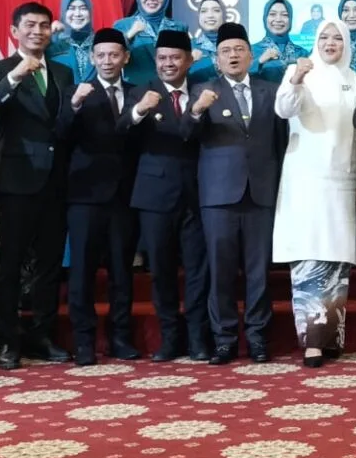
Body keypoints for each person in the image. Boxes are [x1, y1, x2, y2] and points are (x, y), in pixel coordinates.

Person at [0, 2, 74, 369]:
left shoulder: (63, 72)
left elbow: (63, 123)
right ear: (14, 31)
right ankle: (8, 340)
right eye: (30, 25)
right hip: (17, 181)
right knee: (10, 264)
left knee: (49, 265)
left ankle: (42, 336)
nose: (38, 31)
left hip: (56, 181)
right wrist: (16, 76)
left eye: (44, 25)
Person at [274, 19, 356, 368]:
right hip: (304, 179)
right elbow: (284, 109)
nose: (331, 43)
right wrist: (297, 79)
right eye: (324, 37)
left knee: (336, 261)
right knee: (308, 258)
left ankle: (331, 338)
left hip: (341, 179)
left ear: (346, 44)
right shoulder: (299, 71)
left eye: (337, 38)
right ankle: (311, 343)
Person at [187, 22, 287, 365]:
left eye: (239, 50)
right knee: (221, 271)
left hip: (261, 193)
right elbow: (187, 134)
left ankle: (258, 338)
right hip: (218, 197)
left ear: (251, 55)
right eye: (226, 51)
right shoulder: (203, 90)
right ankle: (224, 340)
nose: (233, 56)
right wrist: (197, 110)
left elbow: (280, 143)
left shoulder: (269, 91)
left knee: (259, 272)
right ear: (217, 59)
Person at [55, 27, 140, 365]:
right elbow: (60, 135)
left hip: (124, 197)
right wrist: (74, 105)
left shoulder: (137, 93)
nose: (107, 61)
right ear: (92, 57)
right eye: (101, 55)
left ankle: (120, 338)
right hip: (85, 196)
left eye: (114, 55)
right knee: (82, 272)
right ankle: (85, 341)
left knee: (122, 271)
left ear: (125, 58)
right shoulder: (76, 92)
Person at [124, 29, 210, 362]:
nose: (168, 63)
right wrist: (139, 111)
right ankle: (170, 339)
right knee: (161, 271)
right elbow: (122, 130)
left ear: (189, 61)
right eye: (162, 58)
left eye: (175, 57)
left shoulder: (203, 91)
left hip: (196, 195)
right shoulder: (141, 92)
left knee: (198, 271)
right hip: (155, 197)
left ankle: (198, 339)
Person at [120, 0, 189, 85]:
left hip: (171, 90)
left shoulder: (179, 27)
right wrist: (130, 34)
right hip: (136, 90)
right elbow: (113, 54)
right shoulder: (123, 25)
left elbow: (185, 62)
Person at [251, 0, 307, 84]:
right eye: (272, 14)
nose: (278, 19)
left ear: (290, 19)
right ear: (265, 18)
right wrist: (260, 61)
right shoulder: (252, 51)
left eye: (284, 15)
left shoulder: (302, 53)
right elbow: (238, 77)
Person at [49, 0, 97, 83]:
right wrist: (48, 34)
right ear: (63, 12)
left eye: (83, 8)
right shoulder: (53, 43)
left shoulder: (100, 42)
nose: (77, 14)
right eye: (71, 8)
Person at [189, 0, 226, 82]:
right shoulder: (189, 46)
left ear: (223, 15)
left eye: (216, 10)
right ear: (199, 16)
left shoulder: (234, 44)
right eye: (204, 11)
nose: (210, 15)